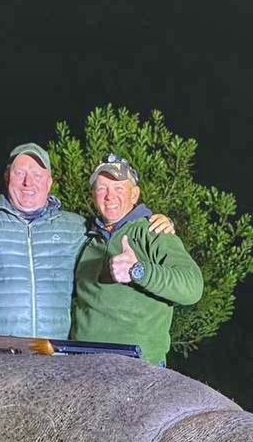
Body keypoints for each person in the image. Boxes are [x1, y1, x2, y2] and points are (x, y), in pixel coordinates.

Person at [0, 143, 175, 338]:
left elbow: (113, 228)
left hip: (56, 356)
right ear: (7, 178)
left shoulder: (76, 226)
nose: (28, 182)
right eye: (20, 173)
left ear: (49, 183)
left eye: (37, 174)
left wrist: (153, 220)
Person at [71, 154, 203, 366]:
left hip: (137, 369)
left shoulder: (154, 232)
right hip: (84, 364)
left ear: (135, 195)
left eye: (119, 189)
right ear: (93, 195)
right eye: (102, 188)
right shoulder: (87, 238)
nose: (109, 196)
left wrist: (138, 271)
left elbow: (193, 287)